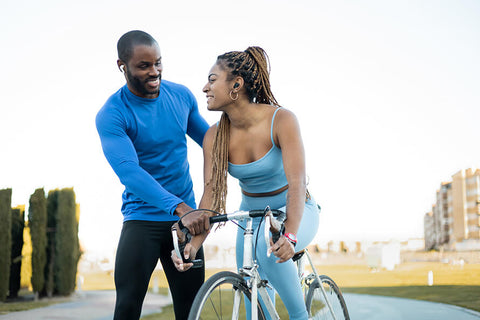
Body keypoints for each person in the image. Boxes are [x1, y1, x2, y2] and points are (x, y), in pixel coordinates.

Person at [172, 47, 320, 320]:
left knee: (268, 248)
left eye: (212, 79)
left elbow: (297, 183)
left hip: (297, 211)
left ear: (236, 84)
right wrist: (193, 245)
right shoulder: (214, 136)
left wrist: (290, 235)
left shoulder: (281, 119)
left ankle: (301, 316)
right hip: (250, 218)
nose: (205, 87)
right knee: (254, 292)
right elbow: (211, 199)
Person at [95, 30, 210, 320]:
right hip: (142, 220)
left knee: (190, 310)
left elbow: (211, 141)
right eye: (144, 66)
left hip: (185, 225)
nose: (154, 71)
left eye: (158, 63)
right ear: (122, 65)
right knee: (127, 307)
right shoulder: (112, 113)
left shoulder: (181, 96)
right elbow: (130, 172)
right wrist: (181, 207)